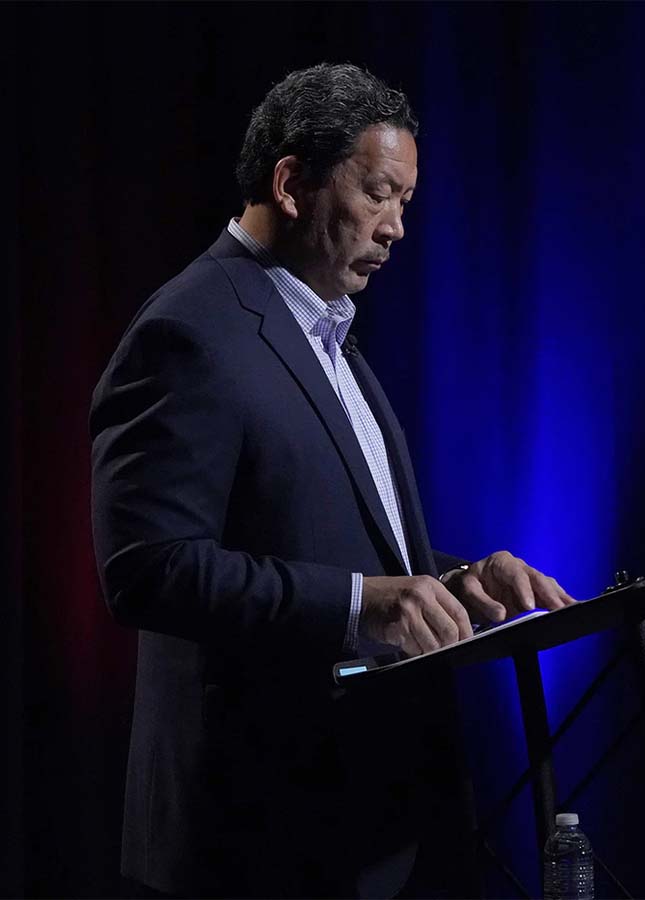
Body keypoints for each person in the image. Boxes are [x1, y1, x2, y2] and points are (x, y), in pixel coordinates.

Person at [90, 63, 571, 898]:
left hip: (368, 824)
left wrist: (453, 583)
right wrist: (368, 603)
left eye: (406, 204)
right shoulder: (188, 331)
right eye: (380, 193)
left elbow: (332, 541)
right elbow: (148, 569)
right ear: (290, 183)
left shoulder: (326, 334)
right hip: (255, 840)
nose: (396, 228)